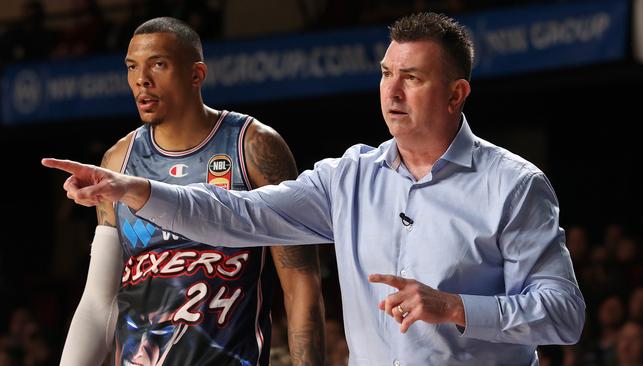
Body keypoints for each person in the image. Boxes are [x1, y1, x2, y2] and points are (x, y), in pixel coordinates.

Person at [43, 12, 586, 365]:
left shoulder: (513, 185)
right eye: (385, 73)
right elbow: (234, 214)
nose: (391, 91)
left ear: (456, 94)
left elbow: (564, 314)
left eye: (412, 78)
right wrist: (135, 188)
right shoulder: (347, 177)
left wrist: (457, 307)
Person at [51, 17, 325, 366]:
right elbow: (98, 301)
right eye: (132, 67)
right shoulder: (119, 159)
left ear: (197, 74)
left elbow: (301, 282)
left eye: (158, 65)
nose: (141, 80)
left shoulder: (253, 146)